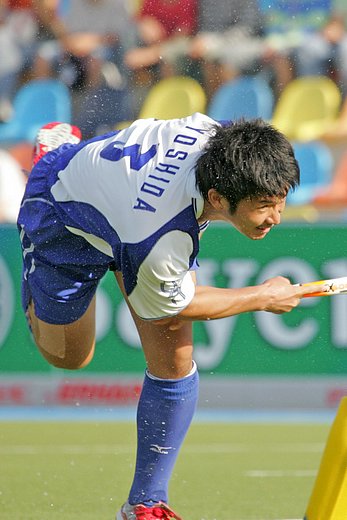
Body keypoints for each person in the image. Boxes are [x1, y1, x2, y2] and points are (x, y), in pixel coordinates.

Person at [17, 115, 324, 519]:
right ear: (217, 197)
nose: (276, 217)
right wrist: (263, 296)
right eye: (265, 207)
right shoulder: (160, 236)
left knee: (174, 361)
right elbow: (174, 305)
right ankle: (53, 153)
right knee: (69, 357)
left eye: (280, 201)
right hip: (62, 216)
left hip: (129, 208)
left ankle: (145, 503)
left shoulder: (230, 140)